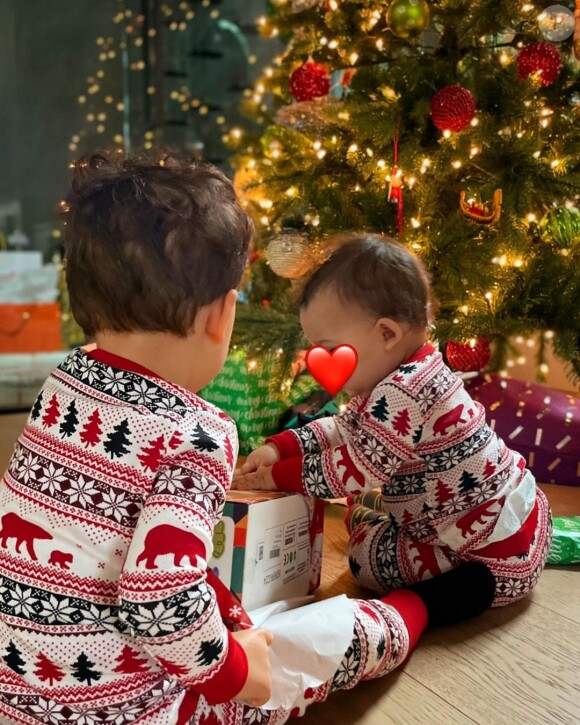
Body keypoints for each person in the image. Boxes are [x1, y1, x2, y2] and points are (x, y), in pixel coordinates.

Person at [0, 158, 494, 725]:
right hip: (138, 711)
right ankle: (417, 609)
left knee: (230, 613)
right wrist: (243, 673)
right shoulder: (197, 432)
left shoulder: (60, 387)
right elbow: (156, 604)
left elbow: (125, 555)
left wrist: (224, 618)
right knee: (320, 640)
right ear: (222, 316)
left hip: (21, 698)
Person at [235, 234, 552, 608]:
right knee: (379, 501)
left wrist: (275, 477)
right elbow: (342, 427)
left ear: (387, 333)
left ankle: (374, 525)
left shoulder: (400, 391)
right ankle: (382, 517)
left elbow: (354, 469)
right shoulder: (419, 370)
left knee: (364, 555)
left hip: (483, 558)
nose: (323, 363)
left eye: (331, 348)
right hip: (526, 523)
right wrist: (280, 447)